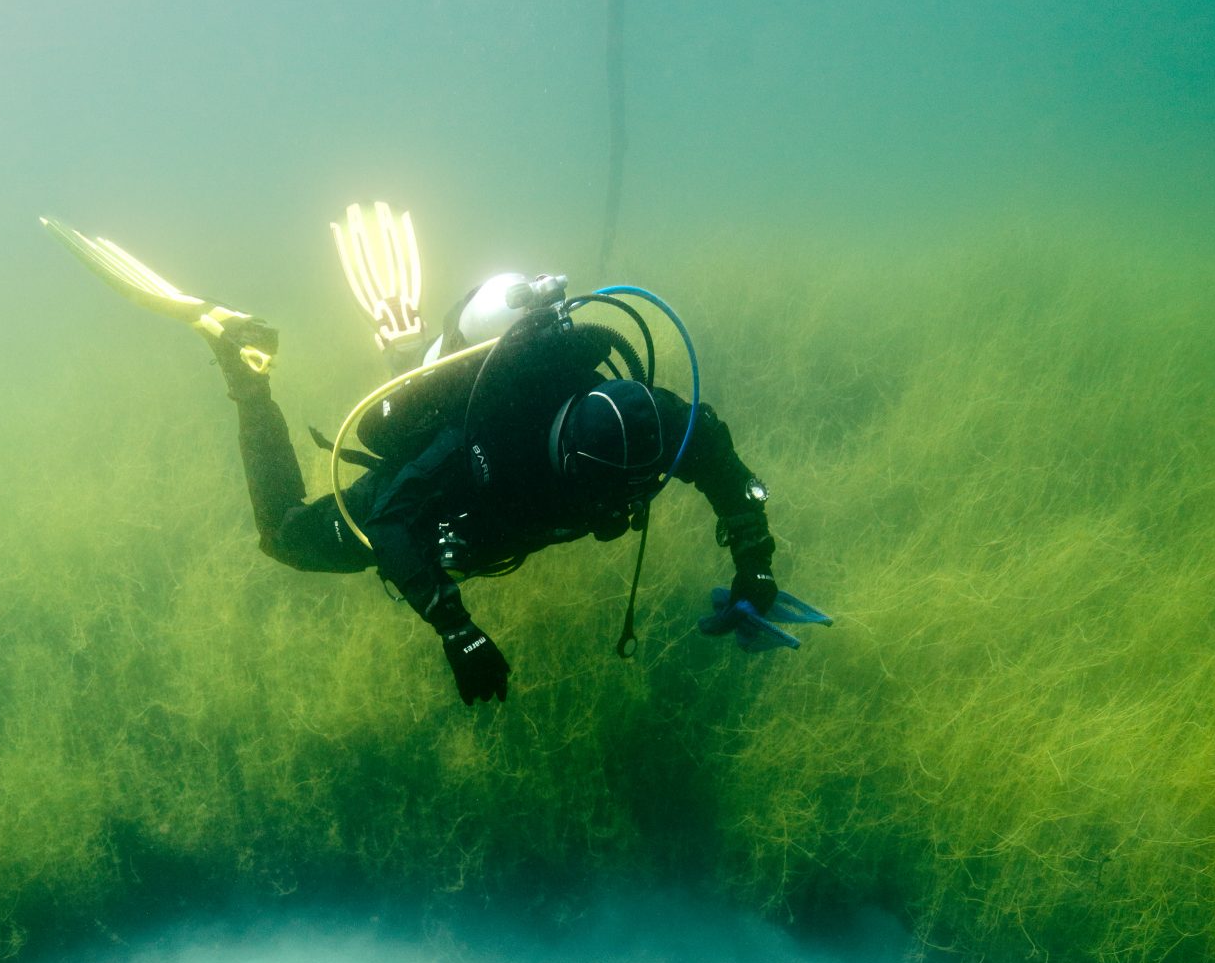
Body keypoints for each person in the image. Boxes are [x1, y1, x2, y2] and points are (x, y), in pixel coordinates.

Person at [40, 219, 826, 704]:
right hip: (453, 454)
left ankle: (416, 356)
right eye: (600, 495)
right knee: (286, 535)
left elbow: (725, 469)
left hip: (486, 418)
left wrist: (756, 565)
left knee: (443, 413)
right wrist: (458, 630)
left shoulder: (655, 423)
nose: (613, 512)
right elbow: (391, 522)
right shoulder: (481, 451)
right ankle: (244, 365)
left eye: (628, 494)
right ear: (564, 460)